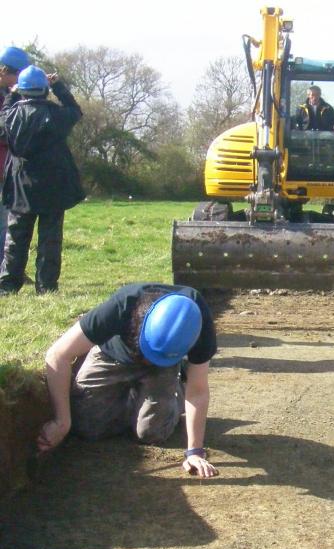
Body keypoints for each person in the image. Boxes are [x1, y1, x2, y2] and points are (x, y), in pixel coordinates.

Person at [38, 283, 219, 478]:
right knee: (85, 426)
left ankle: (176, 393)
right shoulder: (123, 305)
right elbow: (57, 355)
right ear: (137, 324)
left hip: (164, 367)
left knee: (152, 432)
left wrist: (194, 452)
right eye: (146, 354)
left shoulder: (199, 325)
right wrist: (62, 422)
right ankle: (132, 401)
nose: (147, 361)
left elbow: (197, 390)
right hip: (112, 356)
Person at [0, 65, 84, 295]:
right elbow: (75, 110)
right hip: (53, 185)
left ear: (22, 90)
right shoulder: (58, 116)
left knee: (16, 238)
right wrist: (58, 86)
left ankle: (8, 285)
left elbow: (3, 120)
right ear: (45, 90)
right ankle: (46, 286)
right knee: (50, 239)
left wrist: (11, 95)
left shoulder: (11, 115)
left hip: (20, 185)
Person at [0, 46, 30, 266]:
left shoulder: (8, 94)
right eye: (17, 75)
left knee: (6, 219)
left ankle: (5, 266)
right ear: (4, 70)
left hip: (6, 166)